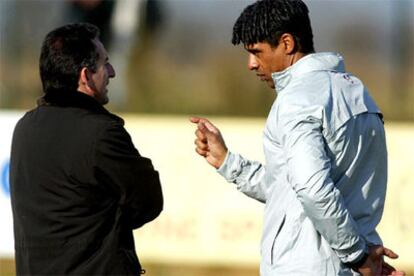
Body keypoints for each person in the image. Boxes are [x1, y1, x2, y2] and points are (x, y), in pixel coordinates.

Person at [191, 0, 404, 275]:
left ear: (287, 43)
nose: (251, 64)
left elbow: (311, 188)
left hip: (309, 265)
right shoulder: (358, 92)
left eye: (256, 52)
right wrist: (227, 162)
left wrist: (356, 257)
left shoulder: (297, 100)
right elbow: (292, 190)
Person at [10, 23, 163, 275]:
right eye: (105, 63)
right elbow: (148, 201)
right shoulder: (100, 133)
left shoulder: (25, 127)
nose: (112, 72)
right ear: (85, 76)